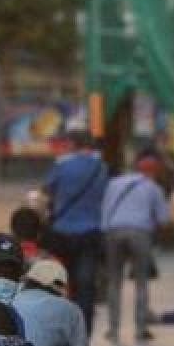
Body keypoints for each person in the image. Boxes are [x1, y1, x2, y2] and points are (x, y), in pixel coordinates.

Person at [43, 131, 108, 334]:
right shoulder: (101, 168)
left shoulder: (62, 165)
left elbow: (47, 190)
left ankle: (63, 328)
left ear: (72, 144)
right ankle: (84, 331)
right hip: (91, 232)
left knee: (62, 281)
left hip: (62, 232)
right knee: (86, 283)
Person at [101, 149, 170, 342]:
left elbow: (105, 211)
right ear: (154, 171)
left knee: (114, 282)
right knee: (141, 282)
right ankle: (140, 329)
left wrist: (106, 233)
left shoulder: (114, 183)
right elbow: (164, 219)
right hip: (140, 233)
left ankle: (113, 330)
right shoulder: (153, 187)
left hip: (113, 232)